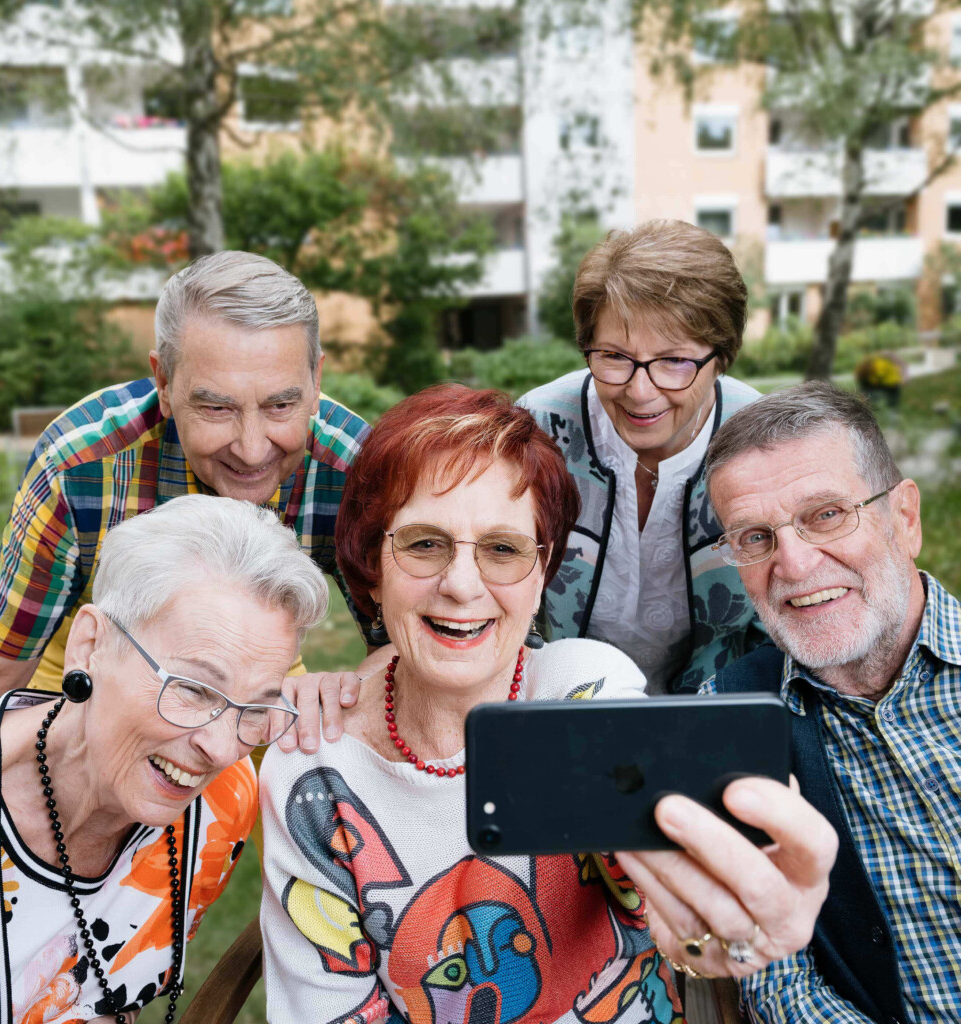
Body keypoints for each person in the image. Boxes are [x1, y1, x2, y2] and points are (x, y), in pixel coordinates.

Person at [258, 385, 838, 1023]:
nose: (460, 585)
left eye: (503, 550)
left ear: (542, 575)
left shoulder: (585, 692)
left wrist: (709, 920)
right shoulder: (310, 769)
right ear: (372, 566)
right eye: (424, 544)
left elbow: (665, 891)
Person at [0, 251, 371, 744]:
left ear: (316, 380)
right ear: (164, 382)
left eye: (281, 405)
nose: (252, 450)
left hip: (252, 680)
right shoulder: (80, 465)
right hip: (85, 672)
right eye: (216, 407)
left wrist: (342, 694)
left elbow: (408, 654)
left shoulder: (354, 468)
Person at [0, 493, 329, 1024]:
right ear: (90, 645)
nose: (221, 747)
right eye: (193, 689)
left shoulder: (221, 803)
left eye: (255, 708)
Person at [700, 380, 960, 1023]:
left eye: (825, 515)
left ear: (904, 518)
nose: (792, 563)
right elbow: (777, 982)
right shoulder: (729, 720)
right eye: (755, 537)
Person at [520, 220, 764, 694]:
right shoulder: (537, 428)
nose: (639, 391)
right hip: (558, 700)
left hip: (721, 704)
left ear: (722, 357)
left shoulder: (761, 441)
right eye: (614, 355)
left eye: (674, 361)